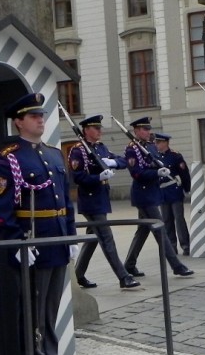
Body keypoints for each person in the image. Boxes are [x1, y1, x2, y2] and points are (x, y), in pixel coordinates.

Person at [0, 92, 84, 355]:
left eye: (41, 115)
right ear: (18, 122)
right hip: (32, 243)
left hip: (56, 240)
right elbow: (3, 209)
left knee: (52, 306)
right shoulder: (8, 160)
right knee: (33, 310)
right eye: (32, 116)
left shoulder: (54, 154)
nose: (40, 119)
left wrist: (70, 234)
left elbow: (65, 201)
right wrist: (18, 243)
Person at [68, 115, 141, 290]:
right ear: (86, 131)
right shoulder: (78, 150)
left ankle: (78, 275)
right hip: (91, 200)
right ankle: (123, 277)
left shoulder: (100, 147)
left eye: (100, 128)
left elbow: (123, 161)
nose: (100, 131)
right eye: (96, 128)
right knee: (107, 238)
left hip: (101, 198)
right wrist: (98, 177)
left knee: (93, 238)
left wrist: (113, 162)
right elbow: (77, 177)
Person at [122, 117, 194, 278]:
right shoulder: (132, 149)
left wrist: (160, 169)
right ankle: (177, 266)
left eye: (149, 129)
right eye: (145, 129)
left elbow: (156, 163)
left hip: (154, 193)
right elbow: (136, 173)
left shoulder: (150, 146)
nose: (148, 132)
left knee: (142, 231)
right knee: (160, 229)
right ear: (136, 131)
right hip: (143, 195)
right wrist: (156, 172)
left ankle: (129, 264)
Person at [154, 132, 192, 255]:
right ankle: (171, 246)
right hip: (162, 193)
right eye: (156, 142)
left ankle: (185, 245)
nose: (156, 144)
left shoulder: (175, 156)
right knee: (166, 220)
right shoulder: (155, 157)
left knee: (179, 219)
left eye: (159, 142)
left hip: (174, 191)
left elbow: (184, 173)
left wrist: (186, 188)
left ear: (165, 143)